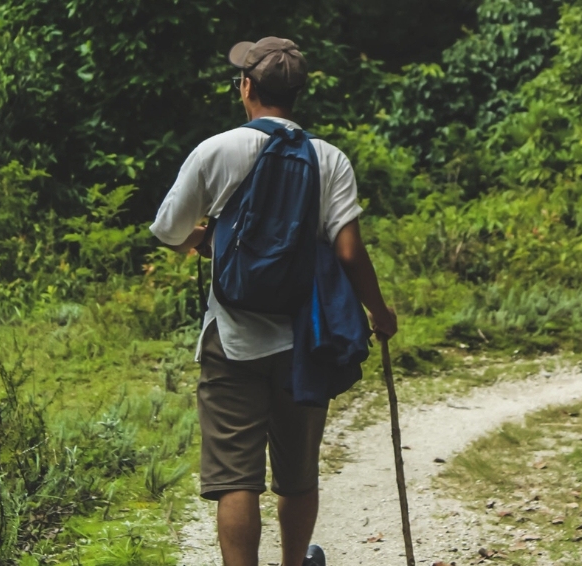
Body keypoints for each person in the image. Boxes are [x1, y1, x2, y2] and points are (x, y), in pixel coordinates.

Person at [149, 36, 397, 566]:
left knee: (236, 478)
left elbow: (167, 230)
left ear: (246, 87)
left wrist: (206, 241)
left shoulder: (215, 150)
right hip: (304, 338)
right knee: (297, 474)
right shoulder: (329, 159)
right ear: (299, 93)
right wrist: (378, 311)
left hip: (231, 337)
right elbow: (350, 251)